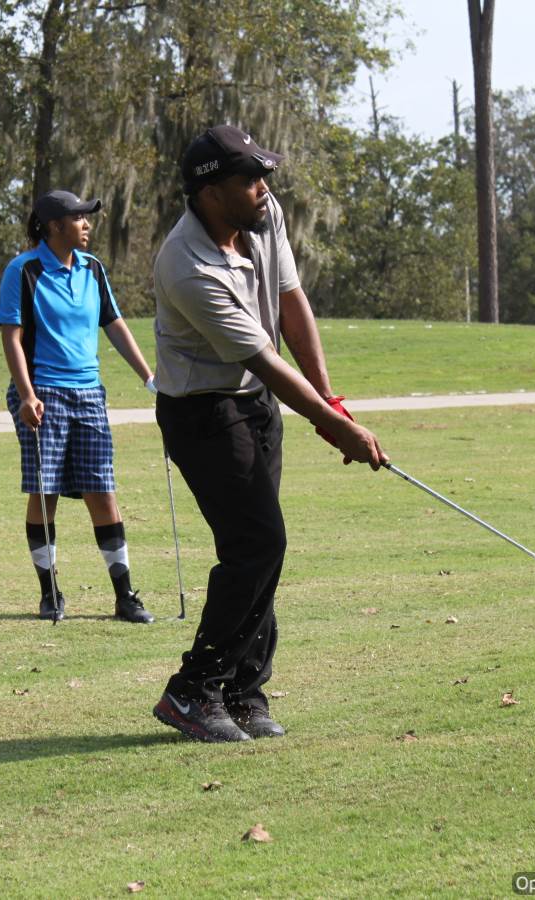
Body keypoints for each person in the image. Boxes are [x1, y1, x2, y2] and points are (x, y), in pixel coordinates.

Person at [150, 126, 388, 742]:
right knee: (256, 543)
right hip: (203, 411)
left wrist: (331, 397)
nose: (262, 189)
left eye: (263, 177)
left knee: (262, 549)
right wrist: (334, 428)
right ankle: (192, 691)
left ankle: (243, 690)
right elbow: (264, 360)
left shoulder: (262, 214)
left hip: (255, 404)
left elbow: (290, 299)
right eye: (248, 179)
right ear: (208, 191)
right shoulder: (186, 264)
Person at [0, 189, 157, 625]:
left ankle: (125, 597)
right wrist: (27, 395)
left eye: (87, 218)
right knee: (44, 490)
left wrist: (148, 376)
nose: (86, 224)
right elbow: (11, 337)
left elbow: (115, 324)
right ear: (53, 226)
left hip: (89, 394)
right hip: (42, 393)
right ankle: (50, 594)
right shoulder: (23, 270)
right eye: (79, 218)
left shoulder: (93, 269)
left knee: (101, 489)